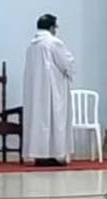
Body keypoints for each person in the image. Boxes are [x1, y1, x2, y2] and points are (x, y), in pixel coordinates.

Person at [23, 14, 75, 167]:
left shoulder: (32, 46)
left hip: (35, 91)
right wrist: (70, 71)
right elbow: (67, 62)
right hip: (52, 88)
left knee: (39, 120)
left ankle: (40, 154)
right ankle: (53, 153)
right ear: (51, 28)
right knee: (54, 119)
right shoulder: (53, 43)